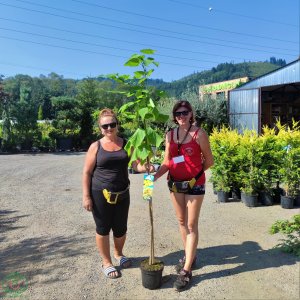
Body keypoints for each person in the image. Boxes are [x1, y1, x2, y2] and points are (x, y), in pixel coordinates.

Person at [82, 108, 154, 279]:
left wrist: (146, 168)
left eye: (111, 124)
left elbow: (135, 165)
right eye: (104, 126)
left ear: (117, 125)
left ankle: (119, 254)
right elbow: (86, 172)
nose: (108, 128)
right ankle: (106, 262)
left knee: (121, 229)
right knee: (103, 228)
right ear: (100, 128)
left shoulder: (127, 143)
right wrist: (86, 196)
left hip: (123, 193)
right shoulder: (96, 146)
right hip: (100, 194)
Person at [154, 100, 214, 291]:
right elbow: (167, 161)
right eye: (178, 113)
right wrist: (152, 177)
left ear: (191, 114)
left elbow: (209, 161)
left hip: (194, 185)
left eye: (185, 113)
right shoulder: (170, 135)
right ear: (174, 116)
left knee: (191, 224)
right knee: (181, 221)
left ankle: (186, 270)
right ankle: (190, 255)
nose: (181, 116)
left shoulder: (199, 134)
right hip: (174, 184)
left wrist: (195, 175)